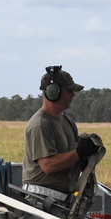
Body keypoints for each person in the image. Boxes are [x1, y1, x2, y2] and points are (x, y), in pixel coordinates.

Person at [22, 65, 99, 200]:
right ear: (53, 92)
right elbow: (48, 165)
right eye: (69, 90)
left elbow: (69, 157)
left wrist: (84, 158)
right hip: (41, 200)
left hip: (60, 200)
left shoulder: (67, 121)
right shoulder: (40, 124)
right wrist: (79, 152)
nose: (73, 95)